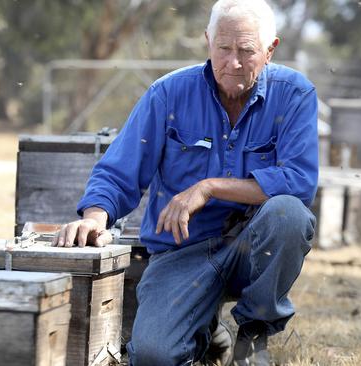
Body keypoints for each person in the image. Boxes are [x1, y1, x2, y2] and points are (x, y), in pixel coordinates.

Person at [57, 0, 318, 364]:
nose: (233, 62)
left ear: (271, 49)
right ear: (207, 40)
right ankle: (207, 332)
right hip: (182, 250)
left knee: (289, 214)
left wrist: (208, 186)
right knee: (152, 356)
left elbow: (299, 181)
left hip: (252, 249)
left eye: (247, 51)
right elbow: (119, 170)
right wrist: (95, 216)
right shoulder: (168, 93)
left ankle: (253, 336)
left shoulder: (294, 94)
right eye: (223, 49)